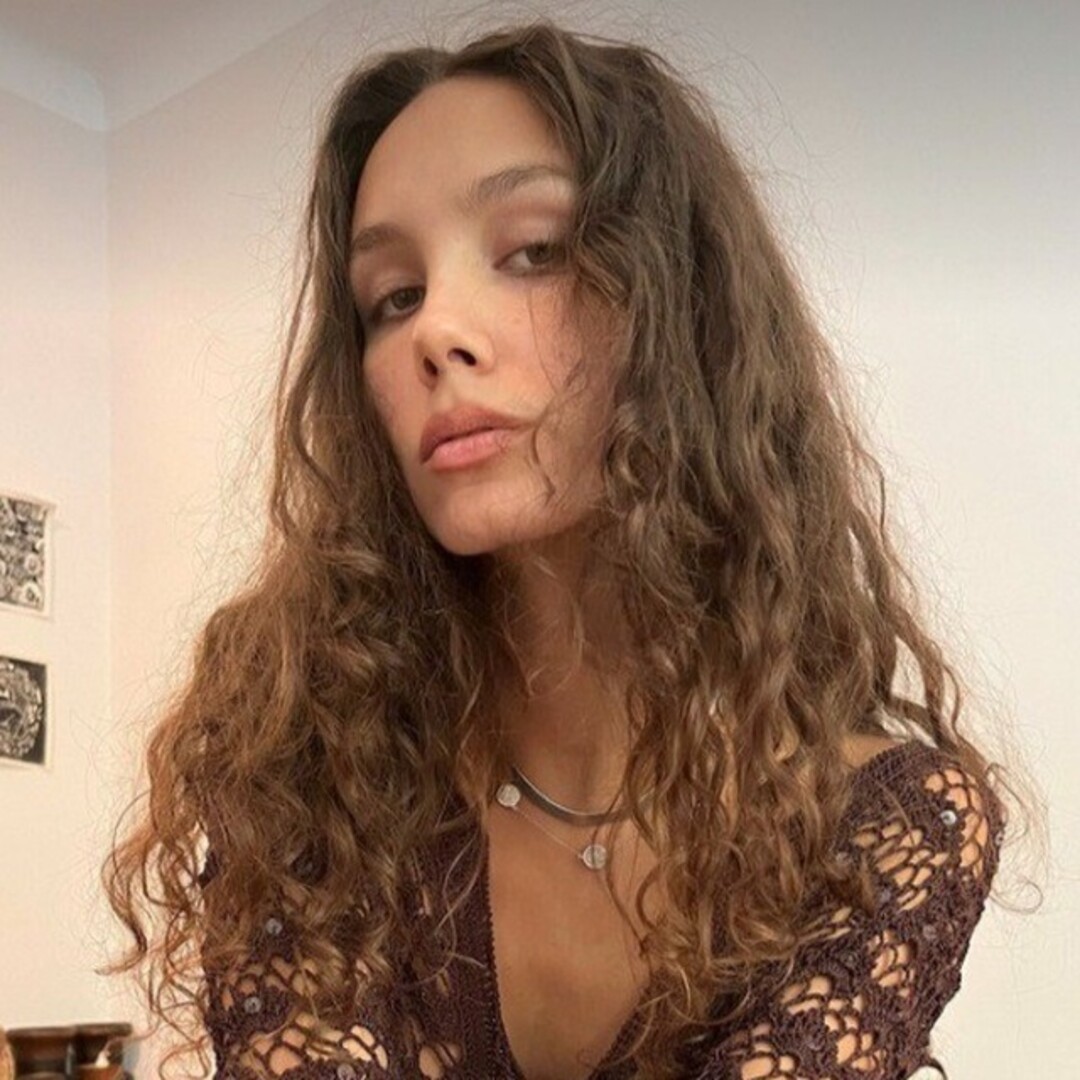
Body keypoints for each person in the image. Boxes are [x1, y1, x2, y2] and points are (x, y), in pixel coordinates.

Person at [103, 18, 1027, 1080]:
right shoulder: (310, 791)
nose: (435, 331)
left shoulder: (884, 826)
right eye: (392, 298)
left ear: (678, 304)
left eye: (533, 251)